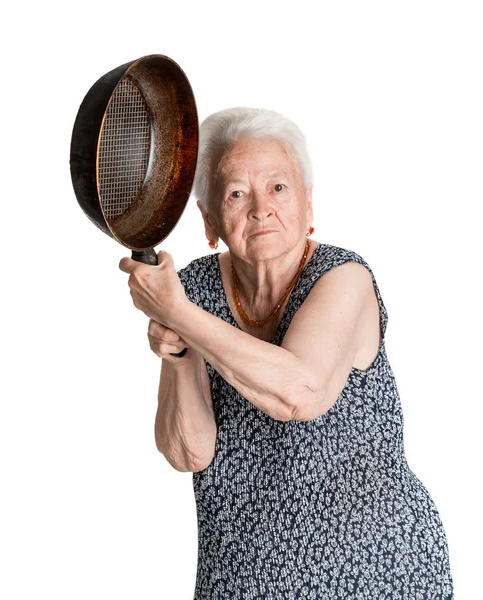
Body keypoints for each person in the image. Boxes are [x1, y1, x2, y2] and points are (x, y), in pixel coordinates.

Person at [119, 108, 454, 599]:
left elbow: (302, 392)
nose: (260, 208)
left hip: (375, 572)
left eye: (279, 187)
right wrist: (179, 354)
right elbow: (188, 453)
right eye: (236, 194)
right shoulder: (193, 288)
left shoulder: (345, 278)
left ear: (309, 205)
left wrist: (179, 314)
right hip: (242, 577)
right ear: (210, 220)